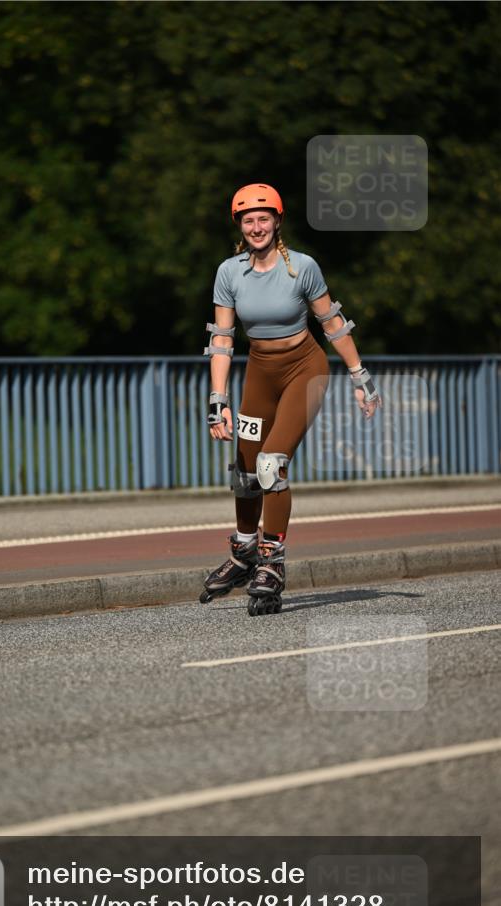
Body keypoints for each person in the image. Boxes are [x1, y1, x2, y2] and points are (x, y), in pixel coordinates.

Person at [200, 182, 382, 615]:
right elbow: (223, 340)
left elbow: (332, 323)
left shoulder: (302, 267)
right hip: (260, 373)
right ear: (239, 227)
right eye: (249, 220)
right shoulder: (229, 272)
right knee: (245, 467)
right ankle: (244, 549)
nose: (257, 226)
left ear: (278, 221)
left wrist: (360, 376)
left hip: (305, 369)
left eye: (264, 218)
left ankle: (272, 561)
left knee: (270, 464)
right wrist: (217, 400)